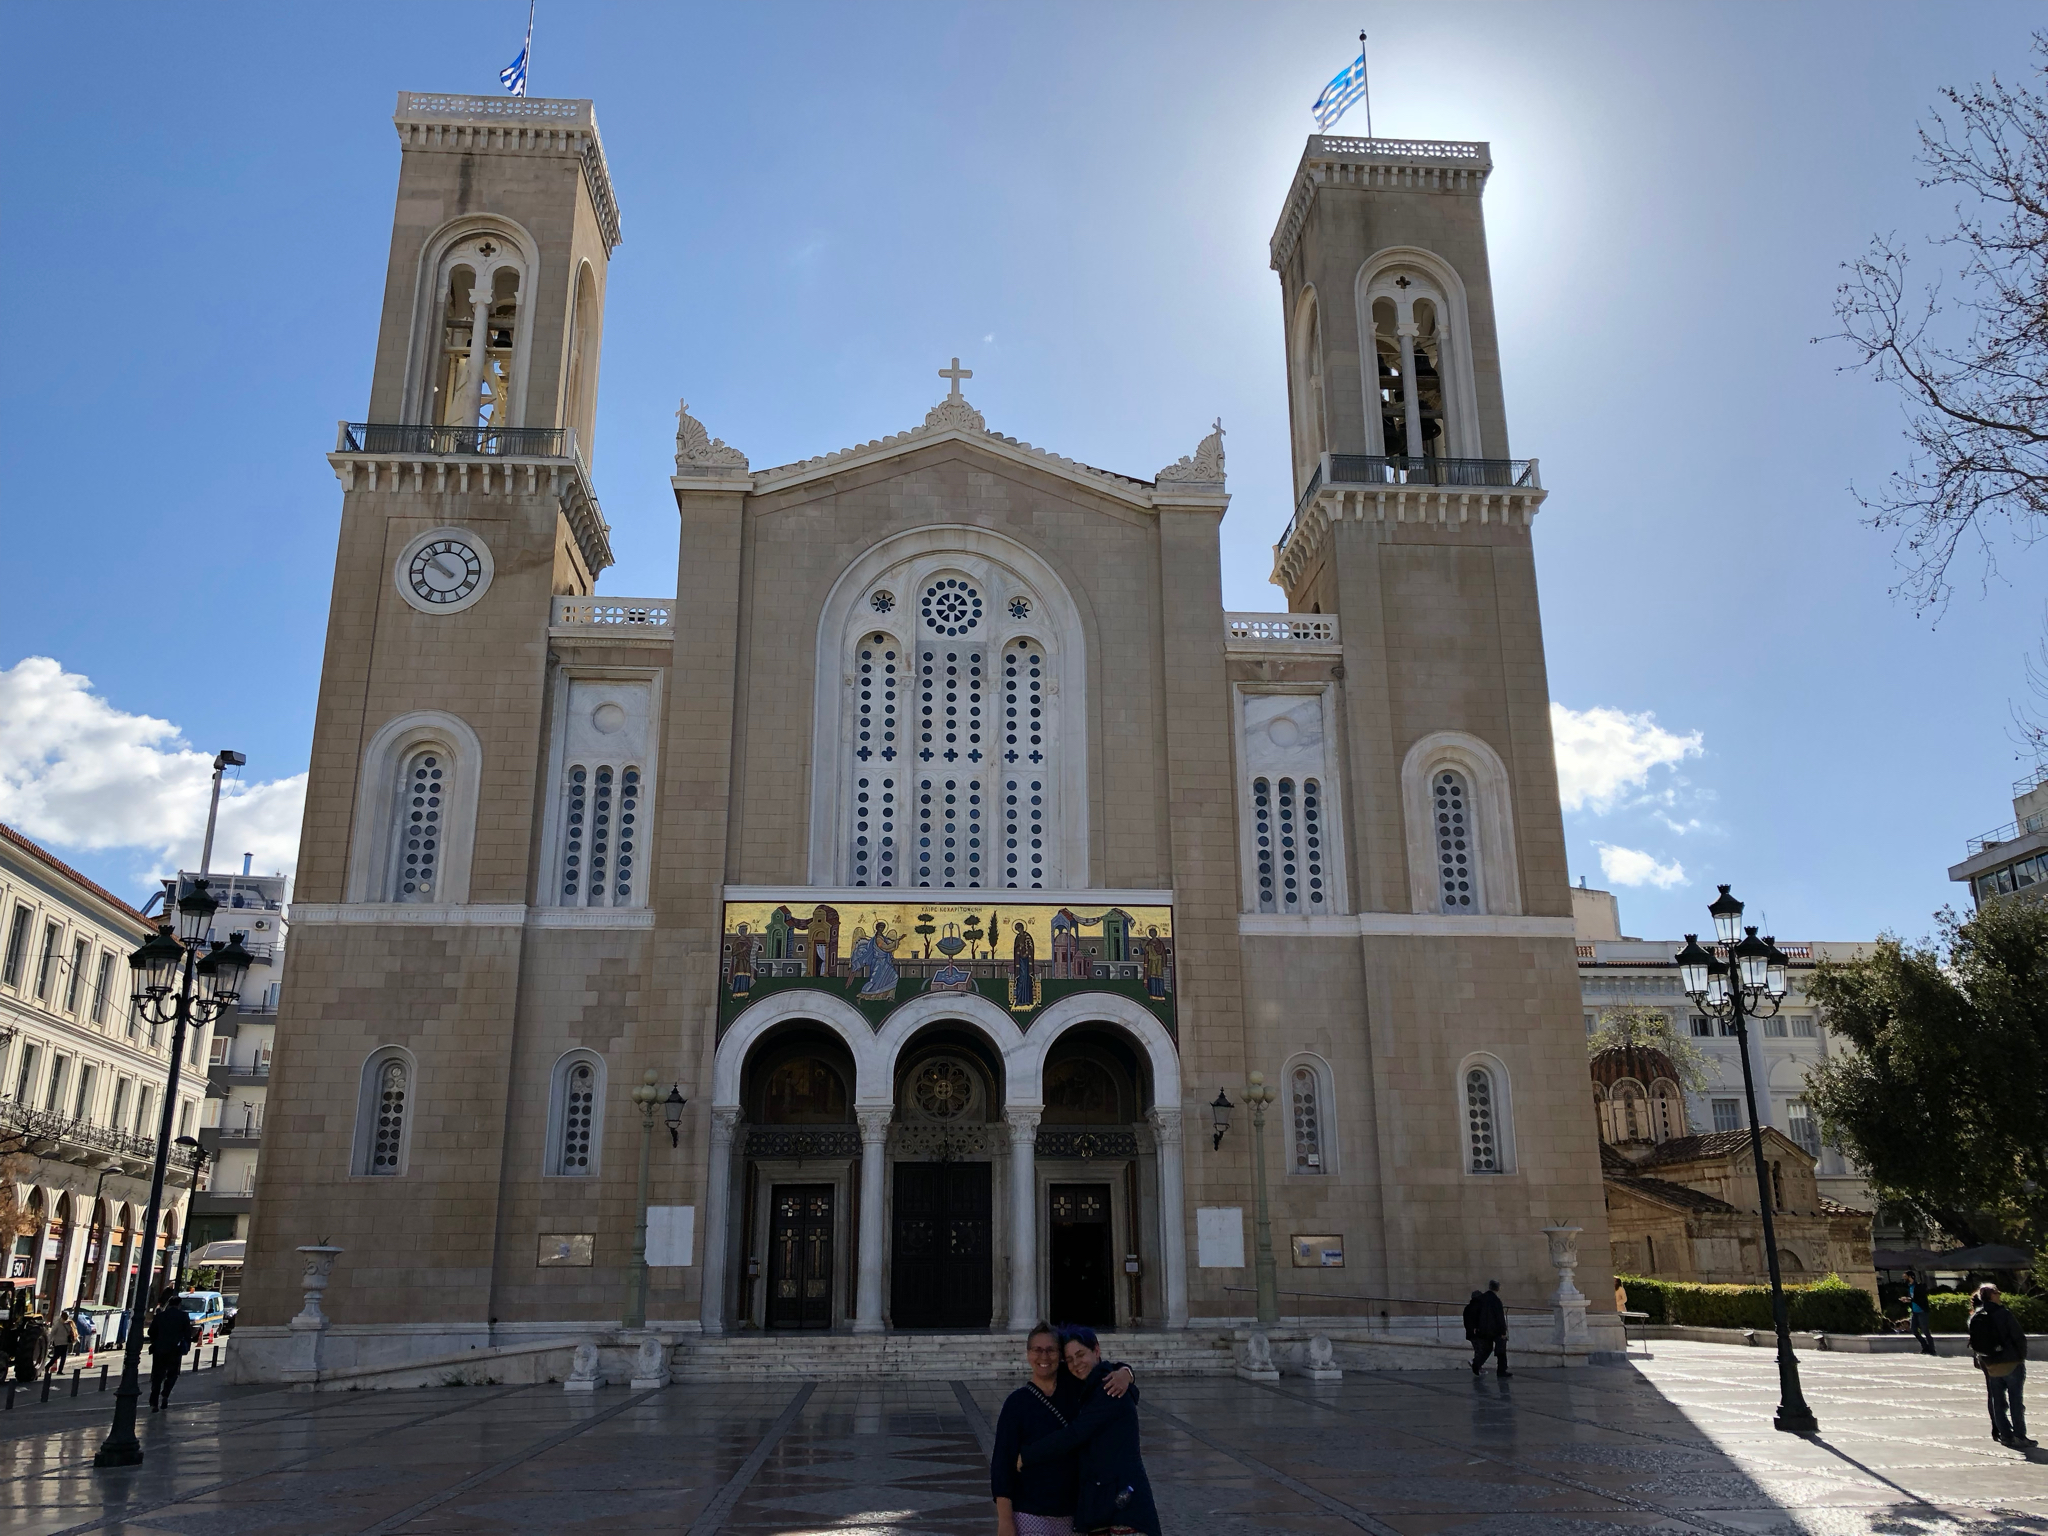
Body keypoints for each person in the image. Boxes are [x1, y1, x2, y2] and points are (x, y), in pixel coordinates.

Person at [990, 1324, 1135, 1536]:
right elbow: (1002, 1465)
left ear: (1060, 1356)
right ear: (1028, 1354)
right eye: (1037, 1350)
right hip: (1030, 1512)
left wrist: (1126, 1373)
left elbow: (1104, 1373)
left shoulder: (1078, 1391)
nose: (1044, 1356)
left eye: (1051, 1350)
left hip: (1074, 1515)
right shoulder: (1016, 1404)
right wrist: (1005, 1520)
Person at [1016, 1326, 1160, 1536]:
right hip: (1104, 1502)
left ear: (1096, 1350)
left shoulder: (1107, 1390)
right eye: (1070, 1359)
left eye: (1081, 1354)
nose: (1076, 1363)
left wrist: (1026, 1456)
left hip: (1125, 1506)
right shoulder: (1090, 1385)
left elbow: (1074, 1434)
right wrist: (1126, 1371)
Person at [1967, 1283, 2033, 1450]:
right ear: (1992, 1296)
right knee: (2015, 1400)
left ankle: (2005, 1435)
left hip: (1990, 1364)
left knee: (1997, 1401)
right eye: (1997, 1292)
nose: (2000, 1294)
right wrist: (2020, 1357)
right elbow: (2019, 1337)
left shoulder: (1975, 1316)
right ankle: (2019, 1435)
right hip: (2011, 1362)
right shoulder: (2003, 1313)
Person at [147, 1295, 194, 1411]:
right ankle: (165, 1394)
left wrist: (157, 1341)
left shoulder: (160, 1316)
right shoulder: (183, 1316)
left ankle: (154, 1402)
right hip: (175, 1349)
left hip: (159, 1349)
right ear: (179, 1304)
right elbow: (188, 1334)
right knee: (172, 1374)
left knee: (157, 1375)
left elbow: (151, 1332)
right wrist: (186, 1346)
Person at [1463, 1279, 1510, 1378]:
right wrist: (1503, 1331)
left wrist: (1477, 1327)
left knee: (1486, 1349)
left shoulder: (1481, 1299)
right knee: (1501, 1350)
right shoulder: (1496, 1300)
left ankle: (1476, 1364)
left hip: (1483, 1329)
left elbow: (1475, 1314)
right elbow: (1499, 1316)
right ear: (1497, 1288)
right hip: (1495, 1329)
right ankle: (1501, 1370)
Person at [1902, 1268, 1937, 1357]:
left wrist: (1909, 1299)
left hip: (1922, 1311)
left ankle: (1932, 1349)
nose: (1904, 1279)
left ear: (1910, 1277)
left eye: (1906, 1277)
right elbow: (1913, 1298)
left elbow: (1920, 1298)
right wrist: (1908, 1300)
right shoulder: (1909, 1287)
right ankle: (1925, 1347)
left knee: (1925, 1330)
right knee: (1913, 1329)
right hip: (1915, 1311)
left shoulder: (1919, 1286)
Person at [45, 1308, 76, 1380]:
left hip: (65, 1342)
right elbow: (52, 1332)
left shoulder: (69, 1324)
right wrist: (49, 1341)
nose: (66, 1318)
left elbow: (72, 1331)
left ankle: (60, 1370)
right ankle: (48, 1366)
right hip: (58, 1343)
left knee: (63, 1357)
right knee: (56, 1356)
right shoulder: (58, 1324)